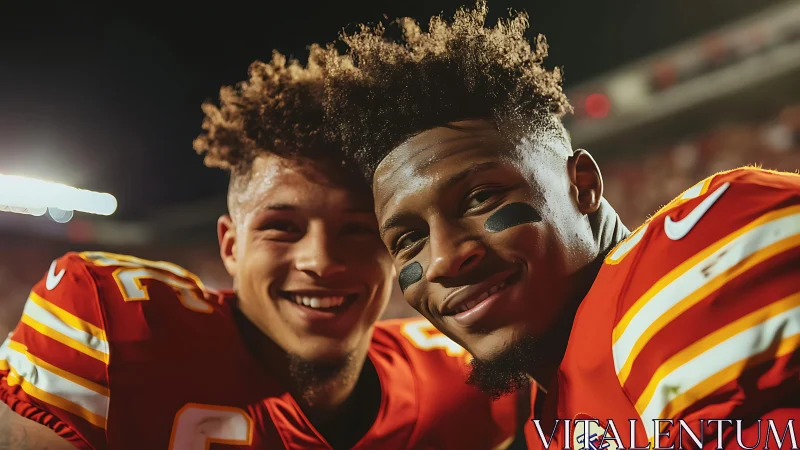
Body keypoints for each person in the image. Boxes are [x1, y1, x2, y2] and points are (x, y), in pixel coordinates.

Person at [321, 3, 800, 448]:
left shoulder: (692, 265)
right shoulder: (543, 419)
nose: (444, 258)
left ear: (583, 184)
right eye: (408, 240)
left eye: (481, 198)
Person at [0, 46, 520, 449]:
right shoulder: (115, 325)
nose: (321, 261)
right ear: (230, 245)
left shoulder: (462, 380)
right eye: (283, 227)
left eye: (358, 229)